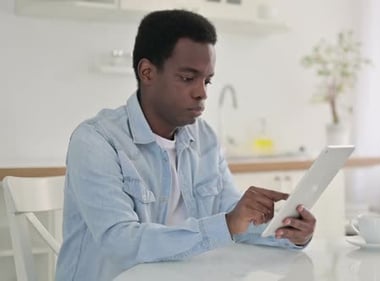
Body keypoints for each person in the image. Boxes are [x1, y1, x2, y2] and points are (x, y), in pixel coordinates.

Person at [55, 9, 316, 281]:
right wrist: (226, 224)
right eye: (188, 78)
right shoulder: (96, 141)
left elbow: (232, 217)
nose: (202, 92)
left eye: (207, 80)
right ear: (147, 72)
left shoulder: (204, 137)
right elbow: (121, 243)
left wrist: (287, 232)